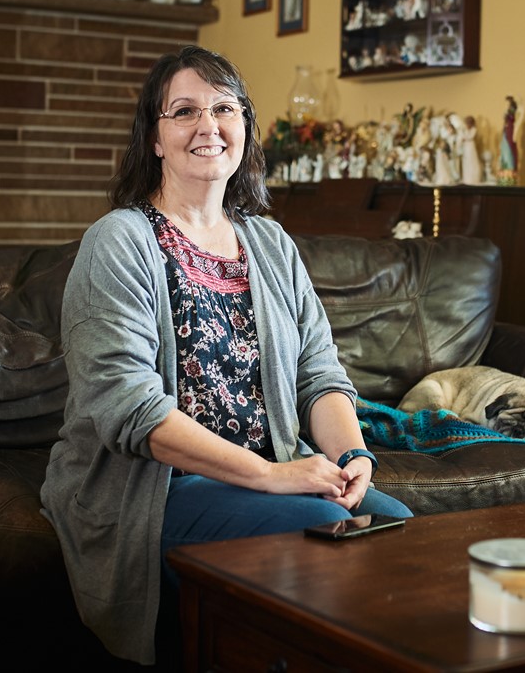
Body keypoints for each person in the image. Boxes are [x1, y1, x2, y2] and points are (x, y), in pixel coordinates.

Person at [40, 46, 412, 666]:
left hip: (277, 472)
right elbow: (130, 409)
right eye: (183, 111)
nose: (207, 126)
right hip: (156, 488)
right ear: (154, 139)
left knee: (394, 524)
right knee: (322, 532)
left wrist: (352, 456)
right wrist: (271, 475)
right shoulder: (120, 241)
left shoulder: (268, 241)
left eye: (223, 108)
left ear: (244, 127)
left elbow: (319, 373)